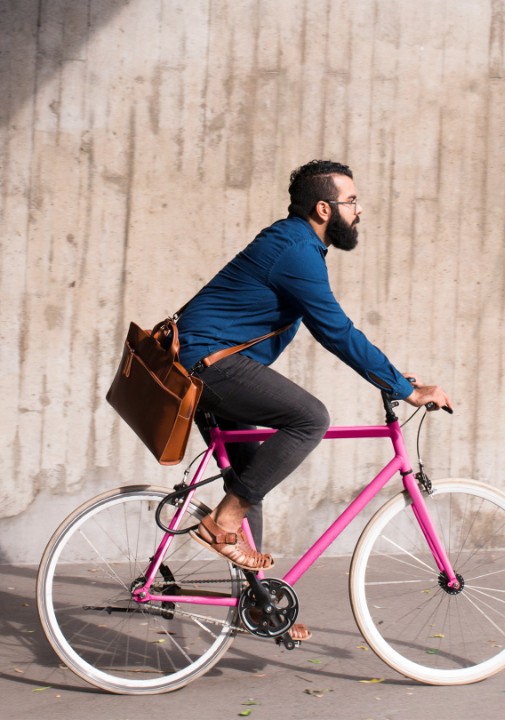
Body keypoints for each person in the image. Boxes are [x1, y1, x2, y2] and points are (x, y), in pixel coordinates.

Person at [175, 160, 454, 640]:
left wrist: (388, 376)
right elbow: (337, 330)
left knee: (250, 482)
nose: (359, 210)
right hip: (207, 364)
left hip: (204, 363)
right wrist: (406, 389)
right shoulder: (296, 252)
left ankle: (257, 607)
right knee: (310, 418)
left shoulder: (295, 244)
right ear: (324, 208)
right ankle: (221, 522)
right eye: (351, 202)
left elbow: (335, 331)